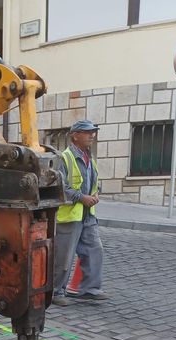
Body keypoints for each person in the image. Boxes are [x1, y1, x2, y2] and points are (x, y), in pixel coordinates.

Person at [51, 120, 108, 306]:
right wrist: (81, 197)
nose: (92, 135)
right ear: (75, 135)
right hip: (70, 216)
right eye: (87, 132)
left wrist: (95, 193)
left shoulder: (89, 157)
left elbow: (94, 182)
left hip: (87, 214)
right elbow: (61, 187)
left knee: (94, 250)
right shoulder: (65, 158)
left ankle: (90, 290)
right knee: (64, 257)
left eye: (93, 132)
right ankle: (56, 292)